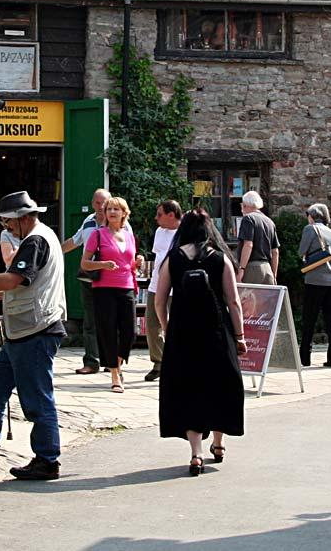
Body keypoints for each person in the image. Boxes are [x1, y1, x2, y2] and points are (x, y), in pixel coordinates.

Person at [0, 191, 67, 481]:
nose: (5, 227)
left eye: (7, 222)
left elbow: (14, 279)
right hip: (28, 328)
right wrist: (0, 292)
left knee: (37, 397)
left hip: (34, 329)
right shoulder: (43, 237)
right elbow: (26, 283)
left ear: (22, 218)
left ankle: (47, 459)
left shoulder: (35, 240)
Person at [156, 208, 246, 476]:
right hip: (216, 332)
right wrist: (240, 336)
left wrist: (166, 327)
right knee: (221, 385)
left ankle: (196, 453)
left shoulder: (173, 259)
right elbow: (233, 301)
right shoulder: (220, 259)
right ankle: (218, 444)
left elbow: (160, 300)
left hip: (183, 333)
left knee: (188, 389)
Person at [61, 188, 130, 375]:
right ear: (92, 204)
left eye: (104, 203)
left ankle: (111, 362)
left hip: (111, 281)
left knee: (111, 321)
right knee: (90, 322)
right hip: (89, 278)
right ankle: (91, 362)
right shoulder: (88, 222)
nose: (101, 207)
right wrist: (53, 252)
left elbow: (129, 249)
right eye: (97, 203)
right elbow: (74, 242)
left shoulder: (122, 225)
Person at [80, 196, 140, 393]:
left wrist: (136, 263)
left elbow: (128, 263)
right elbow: (85, 263)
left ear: (124, 213)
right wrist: (103, 264)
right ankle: (115, 373)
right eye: (109, 209)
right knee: (107, 331)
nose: (112, 212)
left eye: (116, 209)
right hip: (104, 288)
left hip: (127, 287)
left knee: (129, 331)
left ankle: (118, 363)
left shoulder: (130, 236)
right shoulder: (97, 235)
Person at [298, 203, 331, 368]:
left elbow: (301, 251)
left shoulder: (310, 229)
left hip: (314, 280)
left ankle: (305, 358)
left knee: (309, 319)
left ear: (312, 215)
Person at [144, 200, 182, 382]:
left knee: (176, 326)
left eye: (159, 214)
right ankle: (158, 362)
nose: (156, 218)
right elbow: (157, 256)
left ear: (171, 215)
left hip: (176, 287)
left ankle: (177, 362)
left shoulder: (184, 233)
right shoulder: (160, 232)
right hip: (156, 284)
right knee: (152, 324)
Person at [236, 190, 280, 285]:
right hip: (267, 268)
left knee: (247, 298)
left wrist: (241, 269)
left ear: (245, 205)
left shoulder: (248, 218)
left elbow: (248, 245)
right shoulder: (270, 222)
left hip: (251, 268)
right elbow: (275, 251)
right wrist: (274, 275)